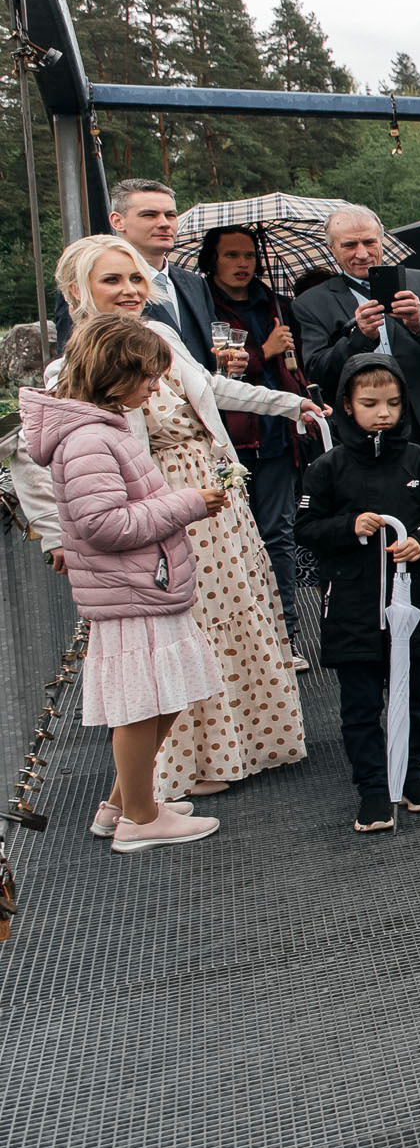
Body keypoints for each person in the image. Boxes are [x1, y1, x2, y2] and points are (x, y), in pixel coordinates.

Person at [17, 236, 323, 801]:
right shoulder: (72, 366)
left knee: (233, 618)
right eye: (112, 280)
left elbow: (208, 387)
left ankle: (244, 746)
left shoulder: (160, 335)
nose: (130, 290)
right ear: (77, 292)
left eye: (136, 278)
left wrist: (288, 403)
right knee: (179, 638)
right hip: (156, 507)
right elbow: (39, 459)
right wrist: (55, 537)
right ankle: (177, 773)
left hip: (212, 496)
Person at [23, 317, 231, 853]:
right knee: (143, 704)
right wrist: (187, 503)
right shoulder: (90, 439)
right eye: (148, 377)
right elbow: (104, 524)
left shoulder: (99, 429)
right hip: (133, 590)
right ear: (115, 374)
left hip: (141, 585)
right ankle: (139, 819)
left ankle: (123, 804)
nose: (155, 388)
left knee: (164, 696)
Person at [294, 207, 420, 684]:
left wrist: (419, 324)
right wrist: (358, 337)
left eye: (369, 242)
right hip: (360, 442)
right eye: (349, 245)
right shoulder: (312, 302)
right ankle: (374, 637)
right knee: (371, 538)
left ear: (382, 240)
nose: (361, 253)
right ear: (332, 250)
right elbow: (317, 369)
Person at [297, 360, 420, 833]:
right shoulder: (327, 468)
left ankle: (411, 777)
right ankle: (371, 788)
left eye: (392, 403)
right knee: (360, 704)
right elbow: (305, 527)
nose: (383, 413)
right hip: (352, 605)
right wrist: (349, 526)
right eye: (369, 404)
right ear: (347, 406)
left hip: (413, 604)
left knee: (413, 697)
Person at [201, 224, 311, 656]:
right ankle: (242, 643)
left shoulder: (277, 305)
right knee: (229, 540)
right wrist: (263, 353)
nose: (242, 263)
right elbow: (207, 374)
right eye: (231, 255)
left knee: (278, 537)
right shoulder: (201, 306)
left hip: (277, 438)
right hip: (228, 440)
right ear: (213, 261)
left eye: (248, 255)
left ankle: (286, 636)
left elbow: (296, 369)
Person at [52, 179, 219, 369]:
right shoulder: (85, 284)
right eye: (149, 215)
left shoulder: (195, 282)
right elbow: (75, 362)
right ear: (117, 221)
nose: (164, 223)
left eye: (170, 215)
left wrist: (225, 364)